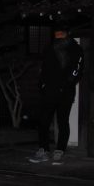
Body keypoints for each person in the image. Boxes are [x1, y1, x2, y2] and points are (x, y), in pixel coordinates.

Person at [28, 25, 84, 164]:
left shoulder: (76, 49)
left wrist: (66, 85)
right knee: (43, 120)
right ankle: (43, 149)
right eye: (56, 31)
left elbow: (77, 70)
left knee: (62, 120)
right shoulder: (49, 48)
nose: (58, 34)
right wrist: (42, 84)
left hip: (65, 91)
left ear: (67, 33)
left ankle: (60, 150)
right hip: (49, 90)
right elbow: (44, 68)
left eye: (61, 32)